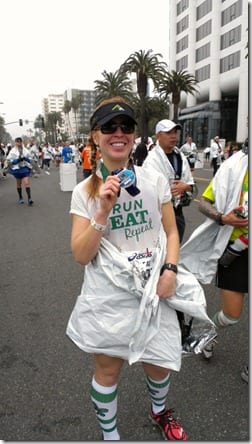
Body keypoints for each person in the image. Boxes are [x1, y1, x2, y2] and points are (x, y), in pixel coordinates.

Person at [66, 97, 190, 441]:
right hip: (108, 295)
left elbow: (170, 231)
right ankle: (110, 435)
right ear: (95, 136)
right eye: (109, 127)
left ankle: (159, 412)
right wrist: (102, 212)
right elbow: (81, 254)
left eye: (126, 127)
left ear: (135, 135)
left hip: (155, 286)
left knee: (160, 362)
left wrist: (170, 269)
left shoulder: (154, 180)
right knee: (108, 369)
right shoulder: (83, 192)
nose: (118, 133)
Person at [179, 142, 248, 379]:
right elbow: (205, 203)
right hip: (236, 250)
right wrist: (222, 217)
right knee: (231, 316)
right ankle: (208, 331)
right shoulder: (233, 166)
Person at [142, 119, 195, 243]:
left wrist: (185, 187)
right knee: (160, 250)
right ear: (158, 136)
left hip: (178, 212)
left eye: (175, 132)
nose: (173, 136)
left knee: (175, 246)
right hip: (159, 215)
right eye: (168, 133)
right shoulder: (151, 160)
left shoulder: (180, 156)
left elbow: (191, 184)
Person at [6, 137, 34, 205]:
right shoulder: (12, 151)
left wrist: (25, 158)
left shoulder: (26, 150)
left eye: (20, 141)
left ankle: (29, 198)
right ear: (15, 143)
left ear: (22, 142)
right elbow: (9, 161)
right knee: (19, 184)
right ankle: (20, 197)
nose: (19, 143)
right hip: (17, 170)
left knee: (27, 183)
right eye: (17, 142)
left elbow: (31, 158)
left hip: (24, 169)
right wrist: (17, 160)